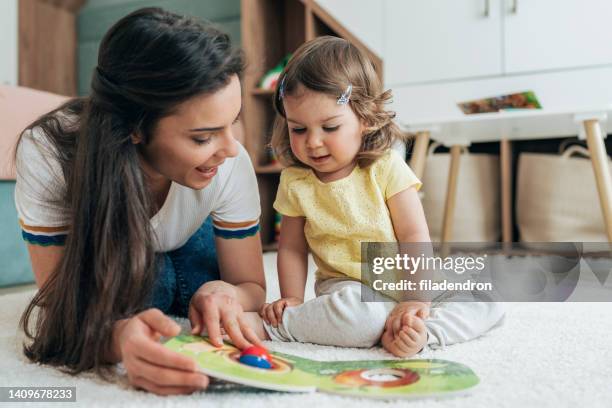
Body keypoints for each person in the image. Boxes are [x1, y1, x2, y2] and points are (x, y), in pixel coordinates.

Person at [14, 8, 266, 395]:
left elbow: (250, 284)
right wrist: (115, 338)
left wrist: (223, 292)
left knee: (181, 285)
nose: (232, 149)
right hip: (112, 246)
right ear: (134, 128)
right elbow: (57, 308)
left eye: (234, 120)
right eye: (203, 137)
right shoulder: (50, 154)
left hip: (191, 238)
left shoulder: (230, 162)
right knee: (147, 288)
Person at [253, 36, 505, 357]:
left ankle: (422, 335)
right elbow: (290, 247)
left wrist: (415, 300)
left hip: (410, 278)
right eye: (298, 129)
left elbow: (414, 236)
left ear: (366, 119)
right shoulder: (295, 180)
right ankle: (283, 326)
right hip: (349, 287)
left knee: (488, 298)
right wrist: (293, 300)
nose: (313, 142)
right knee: (361, 319)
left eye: (329, 128)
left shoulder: (386, 166)